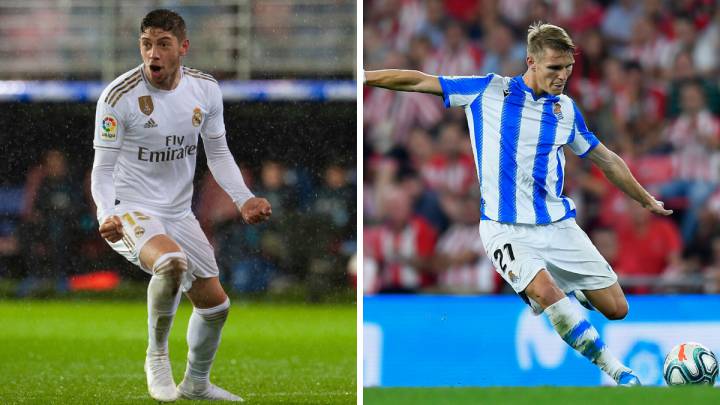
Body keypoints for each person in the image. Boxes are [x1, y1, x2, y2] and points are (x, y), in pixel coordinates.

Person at [364, 22, 673, 386]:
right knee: (545, 291)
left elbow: (605, 159)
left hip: (557, 225)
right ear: (531, 61)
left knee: (616, 309)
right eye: (554, 68)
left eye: (568, 69)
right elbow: (419, 81)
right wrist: (365, 76)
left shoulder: (567, 111)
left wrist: (644, 198)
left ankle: (555, 288)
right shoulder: (489, 90)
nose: (562, 77)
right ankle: (618, 372)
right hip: (503, 227)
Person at [90, 9, 271, 402]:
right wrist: (106, 212)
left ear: (183, 48)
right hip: (129, 209)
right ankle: (156, 358)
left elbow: (218, 153)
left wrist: (244, 199)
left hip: (177, 213)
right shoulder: (119, 97)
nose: (152, 53)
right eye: (146, 44)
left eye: (163, 44)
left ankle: (196, 383)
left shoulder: (204, 90)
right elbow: (102, 168)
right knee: (172, 264)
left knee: (216, 307)